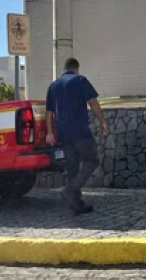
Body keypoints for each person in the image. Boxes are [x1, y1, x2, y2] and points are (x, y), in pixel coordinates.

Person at [45, 58, 109, 215]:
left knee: (72, 168)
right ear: (76, 68)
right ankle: (71, 189)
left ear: (64, 69)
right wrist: (102, 121)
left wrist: (50, 132)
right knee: (92, 160)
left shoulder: (53, 86)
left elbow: (49, 113)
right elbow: (93, 103)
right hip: (80, 132)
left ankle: (77, 204)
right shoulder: (80, 80)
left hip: (63, 134)